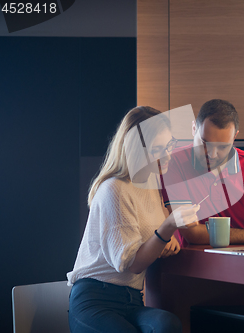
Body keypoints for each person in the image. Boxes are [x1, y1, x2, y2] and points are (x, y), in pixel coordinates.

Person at [67, 106, 200, 333]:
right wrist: (167, 229)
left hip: (133, 300)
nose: (168, 155)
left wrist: (168, 239)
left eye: (169, 145)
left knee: (169, 324)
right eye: (158, 149)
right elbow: (134, 264)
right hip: (94, 300)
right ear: (136, 150)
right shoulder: (114, 190)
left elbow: (151, 240)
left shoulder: (151, 186)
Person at [160, 99, 244, 305]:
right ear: (193, 129)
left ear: (235, 137)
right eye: (205, 143)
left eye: (223, 147)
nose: (212, 155)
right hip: (198, 284)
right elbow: (192, 233)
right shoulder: (173, 164)